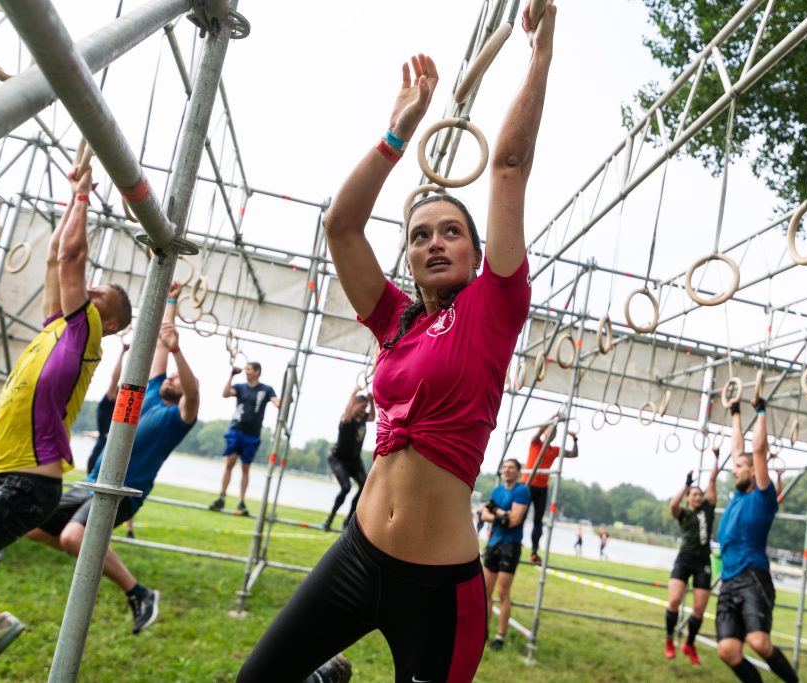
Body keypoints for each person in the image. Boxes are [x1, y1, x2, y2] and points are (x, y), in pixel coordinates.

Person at [238, 6, 555, 681]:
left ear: (477, 251)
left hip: (440, 592)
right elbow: (341, 225)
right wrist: (397, 131)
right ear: (408, 257)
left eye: (449, 231)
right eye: (419, 234)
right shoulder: (396, 320)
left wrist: (539, 55)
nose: (434, 240)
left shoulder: (493, 307)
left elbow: (507, 167)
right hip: (358, 555)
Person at [0, 165, 131, 680]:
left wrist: (87, 197)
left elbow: (70, 256)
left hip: (27, 488)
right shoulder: (57, 327)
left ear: (108, 324)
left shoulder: (85, 332)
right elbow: (56, 257)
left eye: (99, 298)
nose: (87, 293)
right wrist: (71, 197)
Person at [715, 396, 799, 683]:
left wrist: (761, 412)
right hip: (729, 580)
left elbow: (756, 450)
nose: (734, 469)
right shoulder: (737, 495)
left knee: (759, 642)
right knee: (727, 650)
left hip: (753, 577)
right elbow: (738, 448)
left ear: (752, 471)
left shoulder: (762, 497)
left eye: (740, 467)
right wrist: (735, 413)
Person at [664, 450, 720, 665]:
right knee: (675, 601)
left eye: (699, 494)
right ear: (689, 498)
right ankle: (669, 640)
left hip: (702, 563)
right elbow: (673, 505)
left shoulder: (708, 508)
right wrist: (687, 484)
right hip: (684, 560)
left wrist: (716, 458)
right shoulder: (684, 514)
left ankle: (689, 643)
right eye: (693, 495)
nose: (698, 497)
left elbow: (712, 480)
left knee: (699, 609)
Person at [209, 361, 280, 516]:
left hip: (252, 435)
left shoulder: (266, 389)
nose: (246, 372)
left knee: (245, 468)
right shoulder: (240, 387)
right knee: (230, 463)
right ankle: (222, 496)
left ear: (257, 372)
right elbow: (225, 393)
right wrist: (231, 375)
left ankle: (241, 501)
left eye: (249, 369)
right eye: (246, 369)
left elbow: (277, 403)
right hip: (236, 431)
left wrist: (287, 399)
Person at [481, 459, 531, 651]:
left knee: (503, 593)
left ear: (518, 472)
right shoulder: (496, 491)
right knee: (485, 591)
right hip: (493, 543)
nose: (507, 470)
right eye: (505, 467)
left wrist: (497, 514)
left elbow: (514, 521)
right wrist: (502, 515)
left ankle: (500, 637)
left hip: (510, 546)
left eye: (511, 468)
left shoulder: (521, 491)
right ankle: (483, 632)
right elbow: (484, 514)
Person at [522, 415, 577, 565]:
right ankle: (516, 544)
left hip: (542, 488)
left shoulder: (554, 450)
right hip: (527, 484)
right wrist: (554, 418)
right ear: (545, 432)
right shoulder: (535, 443)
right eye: (550, 431)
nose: (552, 434)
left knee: (538, 521)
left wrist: (575, 439)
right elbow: (539, 430)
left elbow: (573, 454)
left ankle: (534, 552)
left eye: (555, 432)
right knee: (520, 516)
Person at [323, 387, 375, 531]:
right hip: (338, 458)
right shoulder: (347, 419)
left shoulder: (363, 418)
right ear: (355, 405)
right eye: (363, 406)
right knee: (346, 488)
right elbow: (347, 414)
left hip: (354, 460)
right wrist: (353, 393)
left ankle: (348, 520)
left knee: (364, 487)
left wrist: (371, 401)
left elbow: (372, 417)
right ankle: (330, 518)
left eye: (366, 406)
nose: (365, 409)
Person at [87, 341, 128, 474]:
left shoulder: (125, 413)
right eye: (119, 394)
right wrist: (122, 353)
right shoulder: (107, 405)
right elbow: (114, 380)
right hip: (99, 455)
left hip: (115, 458)